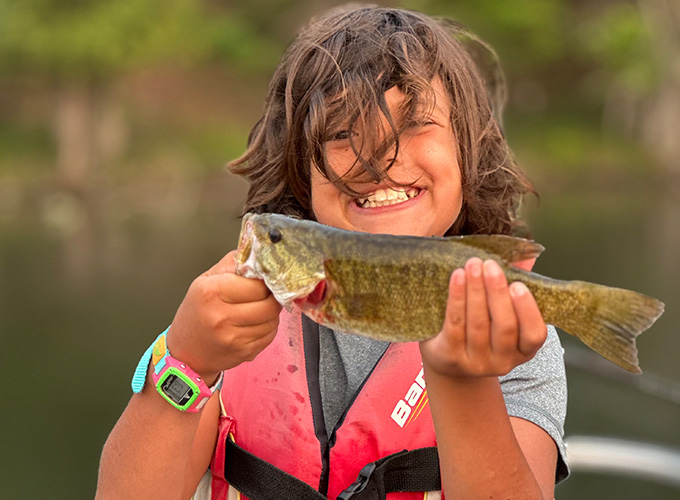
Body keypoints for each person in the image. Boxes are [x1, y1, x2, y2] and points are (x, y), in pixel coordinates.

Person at [96, 4, 568, 500]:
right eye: (343, 133)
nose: (380, 159)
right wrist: (185, 360)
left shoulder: (511, 329)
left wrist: (464, 380)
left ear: (467, 146)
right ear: (302, 167)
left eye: (415, 124)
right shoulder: (232, 312)